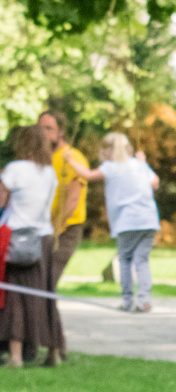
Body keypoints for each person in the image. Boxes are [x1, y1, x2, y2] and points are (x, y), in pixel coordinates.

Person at [63, 133, 161, 312]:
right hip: (149, 220)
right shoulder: (139, 164)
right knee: (142, 261)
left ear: (109, 150)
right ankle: (144, 300)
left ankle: (127, 301)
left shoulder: (111, 167)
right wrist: (144, 163)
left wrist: (70, 160)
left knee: (125, 260)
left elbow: (88, 175)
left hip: (127, 221)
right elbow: (155, 182)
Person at [0, 126, 59, 368]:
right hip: (43, 238)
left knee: (15, 295)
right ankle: (52, 351)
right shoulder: (50, 173)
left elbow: (1, 198)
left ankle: (15, 356)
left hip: (17, 237)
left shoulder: (15, 169)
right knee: (44, 295)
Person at [41, 111, 87, 291]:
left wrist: (56, 228)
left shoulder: (72, 157)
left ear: (61, 132)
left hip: (66, 228)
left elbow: (72, 200)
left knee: (48, 281)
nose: (43, 132)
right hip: (44, 227)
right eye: (40, 128)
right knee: (39, 283)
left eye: (48, 128)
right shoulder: (41, 158)